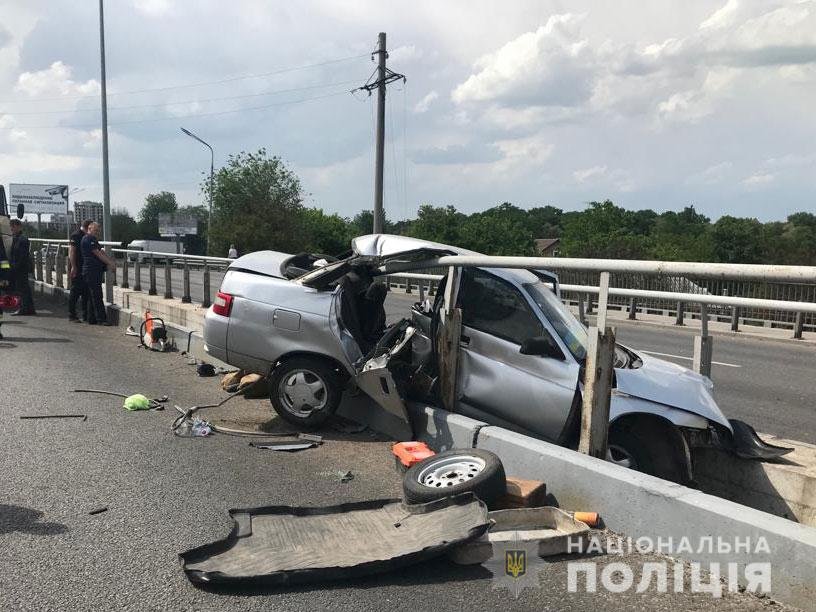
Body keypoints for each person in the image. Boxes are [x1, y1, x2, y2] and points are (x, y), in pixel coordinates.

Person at [81, 222, 115, 325]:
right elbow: (98, 254)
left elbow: (101, 252)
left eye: (98, 231)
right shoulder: (89, 239)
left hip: (92, 270)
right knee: (97, 295)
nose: (97, 232)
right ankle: (101, 319)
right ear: (89, 229)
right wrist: (110, 263)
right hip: (91, 270)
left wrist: (108, 261)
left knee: (92, 296)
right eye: (95, 230)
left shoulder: (92, 239)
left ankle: (91, 318)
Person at [8, 219, 35, 316]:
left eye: (13, 226)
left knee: (21, 290)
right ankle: (29, 309)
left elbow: (23, 256)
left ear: (19, 227)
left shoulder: (22, 239)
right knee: (24, 289)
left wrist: (15, 267)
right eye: (11, 227)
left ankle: (23, 309)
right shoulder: (16, 238)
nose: (12, 229)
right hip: (18, 267)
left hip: (21, 268)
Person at [68, 219, 92, 322]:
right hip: (77, 266)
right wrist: (73, 266)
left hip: (84, 267)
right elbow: (72, 252)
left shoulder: (86, 236)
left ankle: (85, 315)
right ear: (88, 227)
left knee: (86, 291)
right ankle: (72, 314)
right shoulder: (76, 235)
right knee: (75, 291)